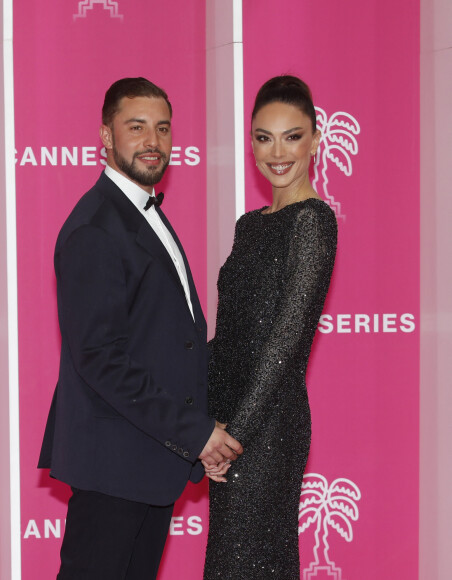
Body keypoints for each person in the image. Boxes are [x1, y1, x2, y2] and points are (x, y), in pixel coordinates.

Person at [38, 77, 242, 580]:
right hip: (113, 466)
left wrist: (200, 434)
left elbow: (166, 342)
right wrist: (196, 433)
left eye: (162, 128)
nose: (153, 141)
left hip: (149, 459)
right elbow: (102, 359)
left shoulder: (141, 213)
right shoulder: (95, 228)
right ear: (106, 137)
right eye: (136, 127)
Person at [203, 75, 338, 579]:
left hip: (269, 427)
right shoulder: (249, 224)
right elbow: (231, 336)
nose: (276, 152)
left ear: (315, 140)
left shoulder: (313, 222)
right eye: (264, 137)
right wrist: (202, 424)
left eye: (292, 136)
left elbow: (285, 341)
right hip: (229, 424)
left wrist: (233, 436)